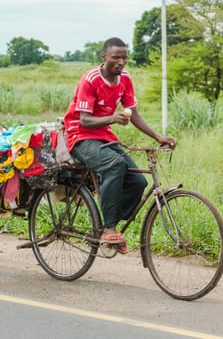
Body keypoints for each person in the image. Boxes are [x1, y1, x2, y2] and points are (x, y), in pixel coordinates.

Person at [63, 37, 175, 254]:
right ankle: (109, 229)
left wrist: (157, 136)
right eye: (116, 57)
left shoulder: (124, 78)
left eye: (124, 57)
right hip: (80, 136)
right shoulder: (90, 79)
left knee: (138, 181)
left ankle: (108, 225)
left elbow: (134, 114)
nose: (121, 62)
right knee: (115, 165)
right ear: (104, 57)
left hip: (104, 136)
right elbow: (85, 120)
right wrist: (114, 119)